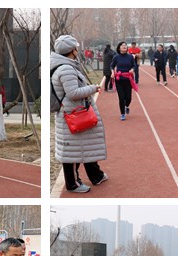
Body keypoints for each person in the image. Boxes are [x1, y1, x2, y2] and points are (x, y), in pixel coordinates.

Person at [51, 34, 108, 193]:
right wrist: (93, 88)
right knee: (72, 152)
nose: (78, 50)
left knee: (84, 145)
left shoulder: (65, 65)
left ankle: (96, 175)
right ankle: (73, 184)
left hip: (74, 112)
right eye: (76, 48)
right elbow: (73, 93)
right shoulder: (66, 68)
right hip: (72, 114)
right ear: (72, 50)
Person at [111, 41, 137, 121]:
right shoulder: (116, 57)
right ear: (119, 48)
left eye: (125, 45)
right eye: (122, 45)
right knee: (121, 98)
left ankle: (126, 106)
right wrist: (112, 73)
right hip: (119, 80)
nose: (124, 46)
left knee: (128, 98)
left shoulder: (130, 57)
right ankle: (122, 114)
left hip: (128, 79)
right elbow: (112, 66)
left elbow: (134, 65)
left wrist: (132, 69)